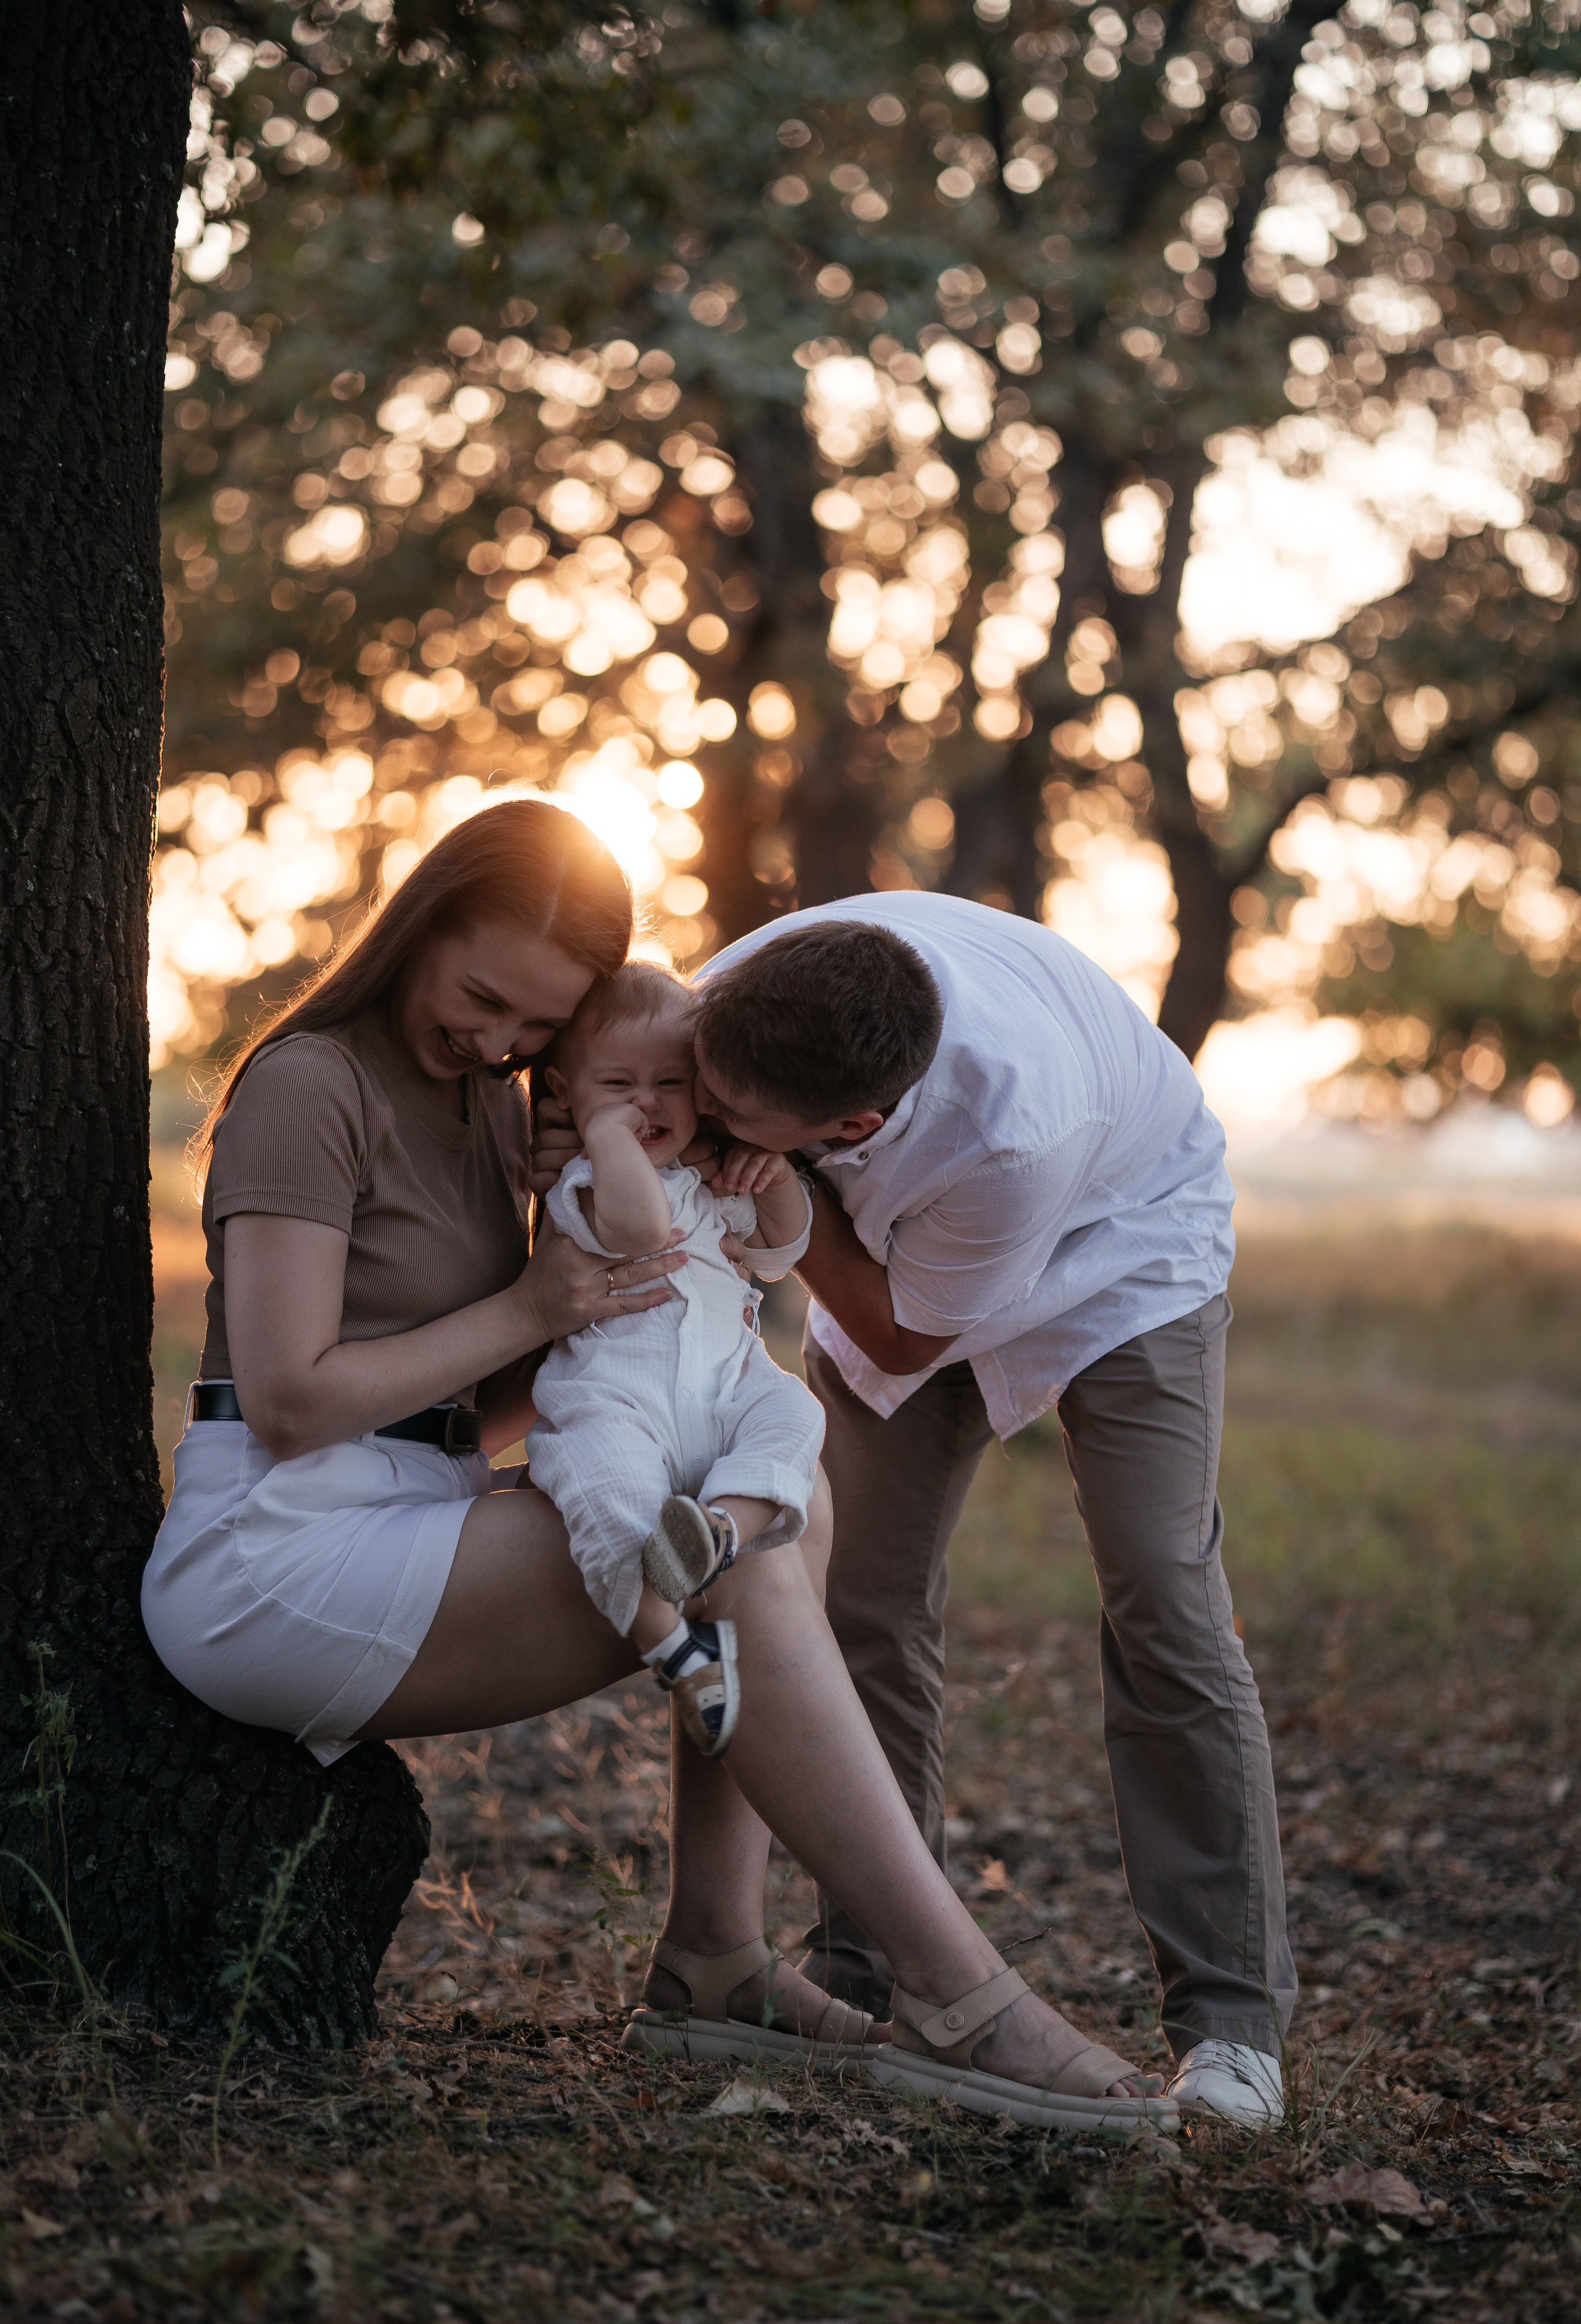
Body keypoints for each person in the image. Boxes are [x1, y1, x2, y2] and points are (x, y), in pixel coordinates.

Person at [141, 801, 1178, 2134]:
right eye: (482, 997)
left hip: (418, 1504)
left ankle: (715, 1960)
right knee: (728, 1561)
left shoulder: (491, 1105)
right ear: (420, 925)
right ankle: (955, 1990)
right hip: (272, 1555)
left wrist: (641, 1303)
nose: (499, 1043)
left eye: (537, 1030)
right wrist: (538, 1302)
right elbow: (290, 1402)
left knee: (769, 1521)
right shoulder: (310, 1085)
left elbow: (492, 1394)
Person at [682, 895, 1298, 2129]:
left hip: (1119, 1247)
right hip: (896, 1238)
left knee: (1160, 1595)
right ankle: (872, 1967)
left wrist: (792, 1217)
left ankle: (1230, 2029)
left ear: (848, 1127)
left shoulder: (1012, 1126)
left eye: (735, 1128)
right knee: (852, 1596)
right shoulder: (730, 1003)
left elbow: (905, 1326)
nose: (706, 1133)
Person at [530, 960, 825, 1756]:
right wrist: (605, 1136)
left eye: (671, 1082)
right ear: (565, 1091)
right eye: (618, 1083)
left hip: (727, 1394)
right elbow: (636, 1230)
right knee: (606, 1494)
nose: (647, 1103)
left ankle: (720, 1530)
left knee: (796, 1410)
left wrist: (774, 1174)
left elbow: (780, 1253)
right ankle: (671, 1644)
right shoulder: (588, 1181)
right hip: (613, 1402)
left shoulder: (716, 1182)